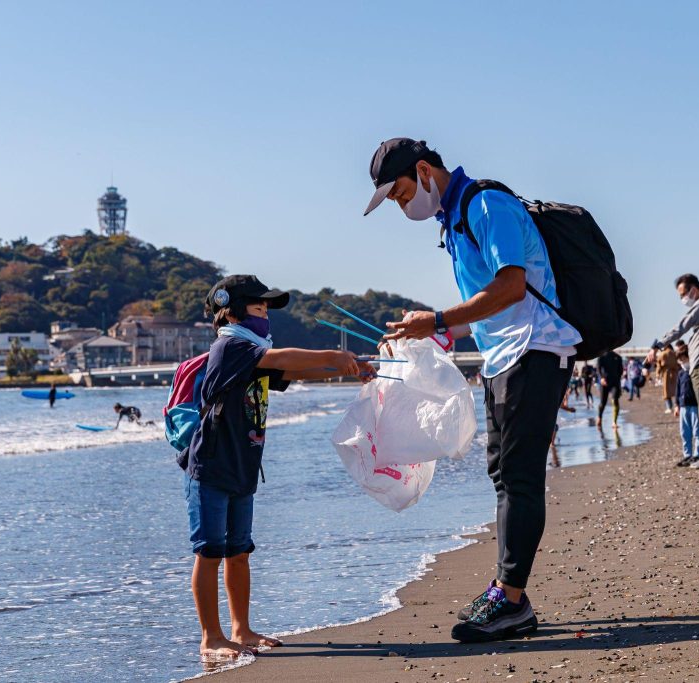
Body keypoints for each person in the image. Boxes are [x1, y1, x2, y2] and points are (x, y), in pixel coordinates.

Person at [365, 138, 580, 643]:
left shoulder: (485, 205)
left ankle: (509, 599)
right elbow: (489, 307)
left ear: (423, 170)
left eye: (399, 194)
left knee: (520, 474)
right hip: (504, 355)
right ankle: (509, 594)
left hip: (536, 348)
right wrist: (435, 333)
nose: (402, 206)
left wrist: (438, 318)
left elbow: (510, 286)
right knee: (504, 471)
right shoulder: (455, 220)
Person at [184, 274, 375, 660]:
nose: (265, 314)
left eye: (267, 308)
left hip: (243, 466)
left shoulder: (252, 350)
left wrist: (350, 367)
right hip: (212, 466)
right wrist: (331, 355)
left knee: (239, 551)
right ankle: (211, 637)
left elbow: (292, 372)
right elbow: (282, 359)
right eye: (258, 307)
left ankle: (242, 629)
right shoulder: (232, 346)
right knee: (210, 552)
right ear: (233, 311)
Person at [646, 274, 699, 470]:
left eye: (683, 294)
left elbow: (681, 326)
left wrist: (658, 344)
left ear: (694, 290)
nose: (683, 299)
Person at [674, 346, 699, 467]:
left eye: (683, 359)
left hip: (695, 405)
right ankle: (687, 455)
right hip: (683, 405)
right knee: (684, 432)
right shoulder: (680, 373)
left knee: (697, 431)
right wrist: (676, 405)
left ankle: (698, 454)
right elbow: (678, 389)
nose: (681, 362)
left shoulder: (695, 370)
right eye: (679, 359)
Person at [596, 349, 624, 430]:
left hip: (615, 382)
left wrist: (618, 379)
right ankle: (599, 417)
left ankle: (614, 422)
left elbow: (621, 371)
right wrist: (601, 378)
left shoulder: (618, 357)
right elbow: (598, 368)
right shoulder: (601, 356)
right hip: (604, 382)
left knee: (615, 400)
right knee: (603, 403)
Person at [656, 345, 679, 413]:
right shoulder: (674, 353)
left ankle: (669, 407)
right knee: (676, 391)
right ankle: (677, 406)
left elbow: (658, 365)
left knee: (666, 392)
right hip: (675, 373)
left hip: (666, 374)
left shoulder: (662, 354)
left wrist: (657, 374)